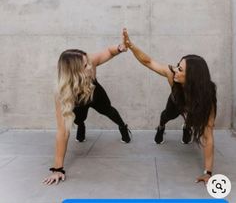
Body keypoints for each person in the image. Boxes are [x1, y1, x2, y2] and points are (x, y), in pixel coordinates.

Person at [123, 28, 217, 184]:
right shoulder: (172, 75)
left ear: (192, 77)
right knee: (166, 115)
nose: (175, 70)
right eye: (177, 65)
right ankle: (161, 127)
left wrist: (208, 172)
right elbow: (148, 62)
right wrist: (131, 46)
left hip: (194, 107)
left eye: (180, 69)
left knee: (193, 121)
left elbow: (208, 136)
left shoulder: (207, 96)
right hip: (176, 102)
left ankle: (186, 126)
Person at [43, 40, 131, 185]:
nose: (91, 66)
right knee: (78, 119)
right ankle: (81, 126)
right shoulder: (62, 92)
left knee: (108, 110)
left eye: (89, 62)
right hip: (78, 99)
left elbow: (109, 51)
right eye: (86, 66)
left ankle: (123, 127)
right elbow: (63, 132)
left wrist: (120, 48)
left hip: (94, 93)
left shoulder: (90, 61)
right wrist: (57, 169)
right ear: (73, 72)